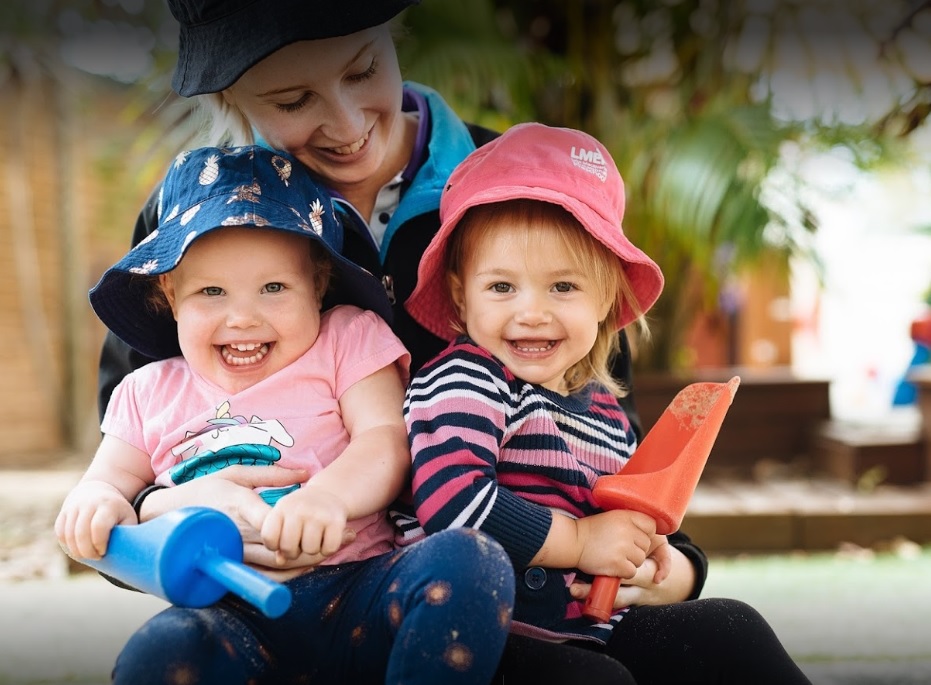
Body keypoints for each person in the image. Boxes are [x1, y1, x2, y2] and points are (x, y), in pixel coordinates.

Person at [96, 1, 709, 682]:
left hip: (486, 587)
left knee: (723, 638)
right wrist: (172, 504)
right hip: (263, 600)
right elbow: (123, 477)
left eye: (362, 71)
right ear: (226, 96)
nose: (348, 123)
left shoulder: (523, 187)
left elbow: (593, 415)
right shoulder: (191, 219)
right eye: (294, 98)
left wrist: (671, 563)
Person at [57, 145, 514, 684]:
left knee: (469, 561)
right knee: (160, 650)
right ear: (170, 294)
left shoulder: (347, 338)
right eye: (211, 292)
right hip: (229, 617)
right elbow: (108, 485)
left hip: (362, 589)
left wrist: (328, 498)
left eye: (274, 287)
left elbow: (387, 437)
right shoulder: (146, 391)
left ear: (317, 285)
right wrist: (97, 503)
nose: (243, 317)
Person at [402, 122, 814, 685]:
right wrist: (582, 540)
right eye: (502, 287)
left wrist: (650, 555)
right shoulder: (465, 379)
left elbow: (625, 520)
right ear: (459, 294)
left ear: (607, 297)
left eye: (563, 287)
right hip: (480, 632)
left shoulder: (604, 413)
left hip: (587, 628)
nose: (531, 312)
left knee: (732, 629)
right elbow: (452, 500)